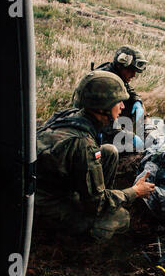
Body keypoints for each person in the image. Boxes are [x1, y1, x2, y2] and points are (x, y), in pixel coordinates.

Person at [35, 71, 155, 242]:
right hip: (46, 203)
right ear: (102, 107)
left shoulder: (73, 116)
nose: (122, 106)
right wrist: (134, 192)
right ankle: (77, 241)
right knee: (121, 218)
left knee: (109, 151)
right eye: (118, 102)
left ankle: (102, 197)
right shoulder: (83, 144)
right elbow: (96, 203)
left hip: (52, 182)